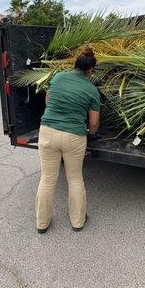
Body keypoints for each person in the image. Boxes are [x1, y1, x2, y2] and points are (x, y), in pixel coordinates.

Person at [35, 45, 100, 233]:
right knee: (75, 179)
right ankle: (78, 222)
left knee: (47, 178)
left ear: (75, 64)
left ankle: (42, 224)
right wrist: (90, 131)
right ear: (90, 70)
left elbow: (48, 101)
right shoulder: (91, 90)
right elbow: (94, 123)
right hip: (74, 136)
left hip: (47, 131)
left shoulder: (58, 77)